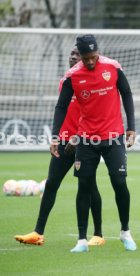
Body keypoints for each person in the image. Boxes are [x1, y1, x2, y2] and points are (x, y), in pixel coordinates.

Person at [50, 34, 137, 252]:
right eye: (86, 58)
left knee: (119, 182)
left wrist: (131, 128)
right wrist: (54, 136)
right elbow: (61, 107)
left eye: (94, 57)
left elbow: (126, 94)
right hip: (86, 139)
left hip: (113, 136)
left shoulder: (113, 67)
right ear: (80, 55)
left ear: (98, 52)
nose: (90, 62)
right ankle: (81, 240)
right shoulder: (72, 76)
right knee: (84, 185)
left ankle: (125, 232)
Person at [14, 46, 105, 246]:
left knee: (89, 187)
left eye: (77, 54)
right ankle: (38, 233)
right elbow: (62, 111)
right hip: (64, 141)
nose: (73, 57)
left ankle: (98, 234)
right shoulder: (65, 80)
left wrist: (80, 138)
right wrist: (57, 137)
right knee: (51, 184)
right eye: (72, 54)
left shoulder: (94, 81)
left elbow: (96, 114)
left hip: (86, 141)